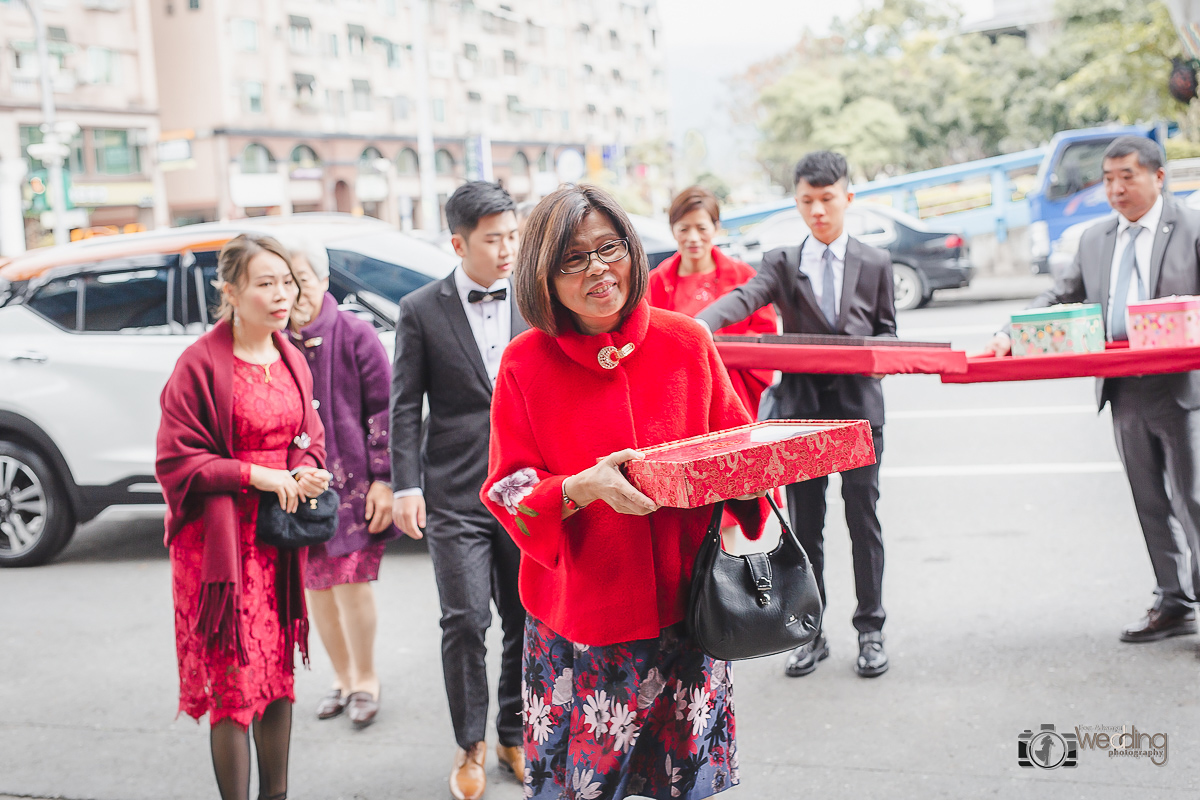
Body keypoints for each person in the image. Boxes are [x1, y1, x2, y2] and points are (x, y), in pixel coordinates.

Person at [480, 184, 769, 800]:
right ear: (544, 275)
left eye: (608, 248)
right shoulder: (524, 363)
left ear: (632, 250)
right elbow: (508, 489)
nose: (598, 269)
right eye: (573, 260)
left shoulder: (687, 340)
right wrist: (581, 489)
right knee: (584, 788)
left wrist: (764, 476)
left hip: (689, 612)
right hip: (584, 621)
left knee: (683, 785)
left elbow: (737, 453)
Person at [986, 135, 1200, 643]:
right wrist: (1008, 330)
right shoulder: (1095, 239)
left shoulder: (1191, 227)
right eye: (1108, 179)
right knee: (1149, 502)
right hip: (1124, 391)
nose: (1116, 189)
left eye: (1127, 176)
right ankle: (1172, 601)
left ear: (1158, 177)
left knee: (1194, 501)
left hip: (1183, 389)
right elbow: (1061, 293)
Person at [696, 151, 897, 680]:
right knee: (806, 528)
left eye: (827, 200)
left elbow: (888, 331)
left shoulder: (876, 263)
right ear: (797, 203)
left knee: (864, 523)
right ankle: (811, 631)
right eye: (807, 202)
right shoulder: (783, 261)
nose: (818, 211)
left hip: (858, 413)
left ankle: (870, 629)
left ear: (847, 198)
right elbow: (744, 298)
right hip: (801, 418)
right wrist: (697, 327)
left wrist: (878, 358)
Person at [156, 234, 331, 800]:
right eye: (265, 283)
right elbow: (177, 460)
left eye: (287, 281)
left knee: (277, 677)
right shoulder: (199, 363)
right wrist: (257, 475)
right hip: (221, 547)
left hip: (277, 539)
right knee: (234, 683)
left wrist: (305, 468)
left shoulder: (291, 357)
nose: (282, 294)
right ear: (230, 291)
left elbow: (309, 436)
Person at [389, 181, 528, 800]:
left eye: (512, 237)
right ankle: (469, 744)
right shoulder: (420, 309)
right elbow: (402, 408)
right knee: (465, 620)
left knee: (528, 618)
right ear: (458, 242)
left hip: (527, 490)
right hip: (453, 493)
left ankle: (514, 733)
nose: (507, 250)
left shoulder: (534, 297)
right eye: (494, 239)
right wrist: (405, 485)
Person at [284, 235, 398, 728]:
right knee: (317, 590)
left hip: (353, 488)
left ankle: (366, 680)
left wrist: (385, 480)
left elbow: (384, 411)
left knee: (352, 585)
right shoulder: (274, 342)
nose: (292, 292)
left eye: (301, 280)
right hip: (297, 490)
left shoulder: (355, 334)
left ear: (323, 280)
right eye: (283, 282)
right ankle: (342, 678)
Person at [650, 185, 777, 417]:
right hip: (678, 394)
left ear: (716, 227)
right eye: (684, 229)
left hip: (734, 391)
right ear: (672, 230)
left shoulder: (744, 276)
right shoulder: (655, 282)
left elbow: (765, 335)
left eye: (701, 228)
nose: (693, 238)